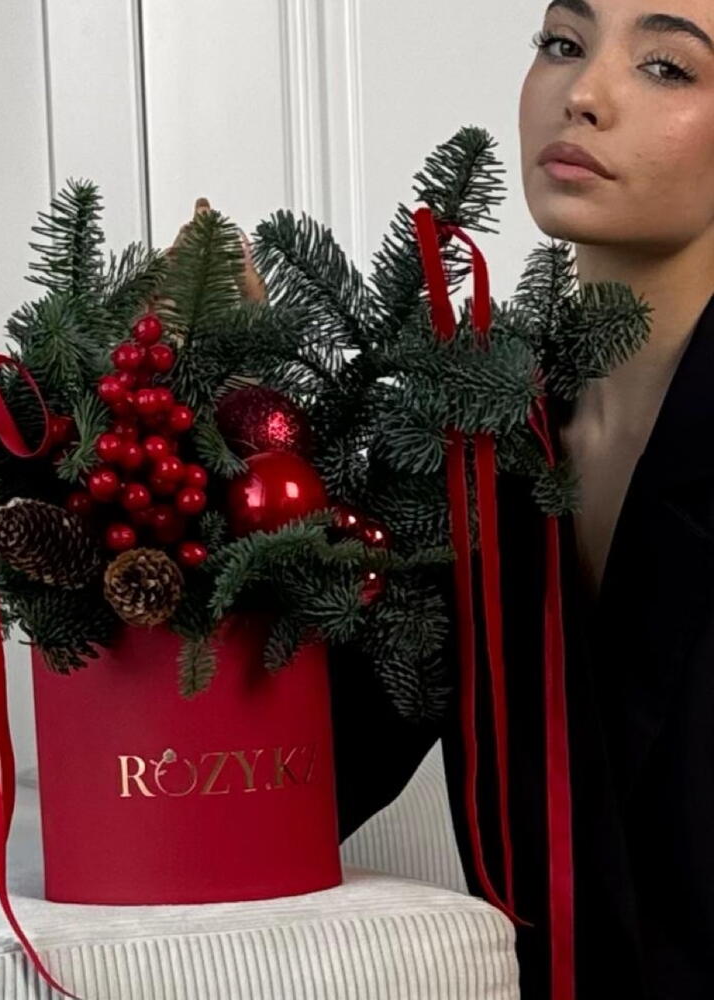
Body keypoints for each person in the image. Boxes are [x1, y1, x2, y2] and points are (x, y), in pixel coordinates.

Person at [184, 0, 714, 993]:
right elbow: (289, 791)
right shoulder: (474, 447)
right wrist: (226, 423)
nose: (583, 94)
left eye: (668, 68)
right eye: (563, 44)